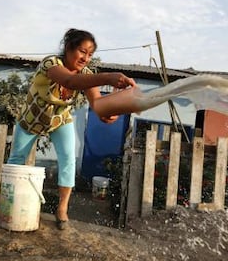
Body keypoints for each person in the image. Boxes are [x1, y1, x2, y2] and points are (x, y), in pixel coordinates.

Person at [8, 28, 136, 230]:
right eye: (82, 51)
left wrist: (109, 112)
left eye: (90, 54)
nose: (85, 58)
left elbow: (98, 104)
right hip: (32, 119)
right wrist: (108, 77)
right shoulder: (51, 64)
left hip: (60, 120)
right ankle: (6, 199)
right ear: (68, 48)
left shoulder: (86, 74)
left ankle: (62, 209)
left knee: (68, 159)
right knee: (17, 158)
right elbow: (69, 81)